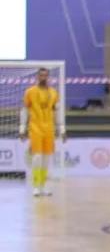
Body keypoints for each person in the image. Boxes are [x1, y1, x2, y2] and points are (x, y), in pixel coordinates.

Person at [18, 67, 65, 197]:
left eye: (45, 75)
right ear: (37, 77)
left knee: (47, 159)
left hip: (49, 129)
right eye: (41, 75)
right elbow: (25, 111)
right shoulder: (30, 92)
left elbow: (57, 112)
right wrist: (22, 128)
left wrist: (62, 129)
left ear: (48, 77)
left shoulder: (54, 93)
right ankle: (36, 186)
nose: (43, 78)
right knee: (37, 158)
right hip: (35, 129)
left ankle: (45, 185)